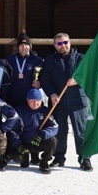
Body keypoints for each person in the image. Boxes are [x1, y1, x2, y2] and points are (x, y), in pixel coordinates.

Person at [40, 32, 92, 171]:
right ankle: (59, 158)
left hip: (78, 102)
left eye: (65, 42)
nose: (63, 46)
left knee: (80, 131)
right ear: (55, 46)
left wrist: (77, 80)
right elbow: (45, 79)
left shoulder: (81, 59)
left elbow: (88, 75)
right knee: (60, 131)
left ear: (70, 42)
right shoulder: (50, 60)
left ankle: (84, 158)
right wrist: (51, 94)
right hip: (58, 101)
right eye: (59, 43)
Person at [8, 89, 58, 174]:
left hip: (37, 142)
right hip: (24, 143)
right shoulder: (19, 111)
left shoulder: (46, 111)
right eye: (32, 101)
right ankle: (25, 156)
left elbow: (54, 127)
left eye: (37, 100)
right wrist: (18, 144)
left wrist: (42, 135)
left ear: (41, 101)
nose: (35, 103)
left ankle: (44, 162)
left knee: (53, 140)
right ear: (27, 100)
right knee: (19, 160)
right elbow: (12, 130)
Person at [5, 34, 43, 108]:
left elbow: (44, 76)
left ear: (30, 47)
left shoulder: (37, 61)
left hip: (30, 98)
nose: (24, 47)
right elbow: (5, 77)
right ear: (18, 47)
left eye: (26, 45)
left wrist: (40, 83)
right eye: (21, 45)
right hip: (13, 96)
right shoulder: (10, 60)